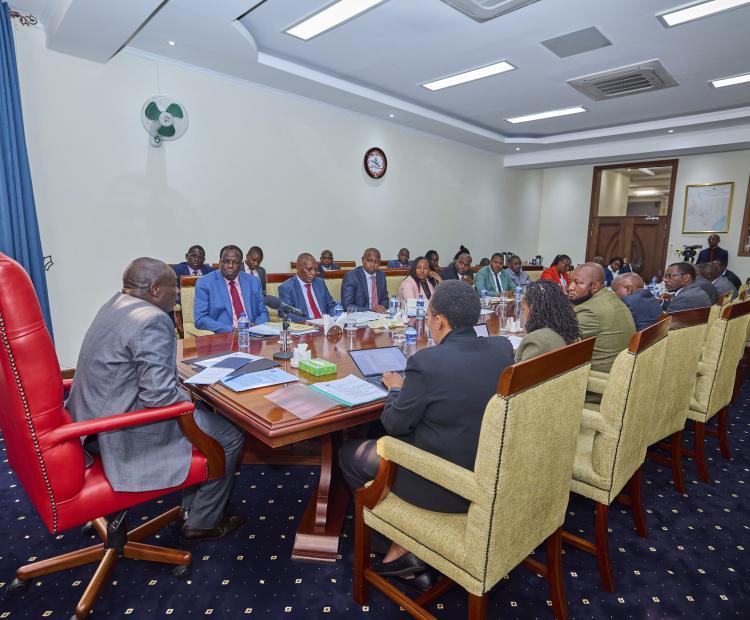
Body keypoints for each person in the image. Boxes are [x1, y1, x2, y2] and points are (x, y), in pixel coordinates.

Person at [338, 282, 514, 586]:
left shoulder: (427, 362)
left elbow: (394, 424)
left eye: (429, 315)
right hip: (490, 470)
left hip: (444, 485)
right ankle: (407, 545)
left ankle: (400, 541)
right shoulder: (502, 348)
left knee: (350, 454)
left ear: (439, 320)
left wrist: (395, 389)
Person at [66, 258, 245, 542]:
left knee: (201, 411)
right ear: (154, 289)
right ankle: (202, 522)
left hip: (87, 424)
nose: (177, 293)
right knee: (230, 434)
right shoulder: (152, 320)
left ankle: (189, 507)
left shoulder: (115, 304)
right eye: (173, 287)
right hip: (118, 432)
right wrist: (193, 397)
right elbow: (160, 398)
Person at [568, 262, 635, 374]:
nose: (570, 288)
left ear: (595, 286)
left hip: (597, 379)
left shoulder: (589, 311)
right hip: (619, 371)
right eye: (570, 281)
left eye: (577, 283)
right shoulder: (612, 298)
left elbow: (560, 344)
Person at [194, 245, 270, 333]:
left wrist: (256, 326)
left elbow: (263, 312)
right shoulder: (205, 283)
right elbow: (200, 319)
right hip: (224, 337)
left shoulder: (253, 281)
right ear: (220, 262)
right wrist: (231, 330)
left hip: (253, 336)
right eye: (226, 262)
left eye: (235, 262)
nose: (230, 266)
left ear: (241, 264)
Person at [515, 280, 580, 362]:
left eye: (524, 310)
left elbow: (521, 372)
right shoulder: (567, 329)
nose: (523, 314)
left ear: (533, 309)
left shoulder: (536, 340)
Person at [278, 253, 336, 322]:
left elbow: (331, 305)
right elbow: (287, 315)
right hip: (306, 327)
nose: (313, 273)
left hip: (326, 325)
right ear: (298, 268)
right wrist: (315, 321)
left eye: (315, 269)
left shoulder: (320, 283)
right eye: (309, 269)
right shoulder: (286, 287)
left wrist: (332, 318)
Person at [341, 248, 388, 312]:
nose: (372, 265)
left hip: (379, 316)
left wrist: (382, 308)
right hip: (360, 317)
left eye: (376, 262)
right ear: (363, 260)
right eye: (369, 261)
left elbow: (384, 299)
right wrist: (371, 310)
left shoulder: (381, 275)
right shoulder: (351, 277)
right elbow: (347, 305)